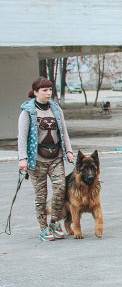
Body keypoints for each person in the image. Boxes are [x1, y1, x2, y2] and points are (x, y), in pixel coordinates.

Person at [17, 77, 74, 241]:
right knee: (41, 196)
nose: (48, 93)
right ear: (36, 92)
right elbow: (22, 137)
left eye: (50, 89)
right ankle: (43, 228)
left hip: (56, 157)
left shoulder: (56, 109)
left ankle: (54, 223)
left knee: (60, 190)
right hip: (36, 160)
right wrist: (22, 158)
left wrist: (69, 151)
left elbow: (63, 131)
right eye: (44, 90)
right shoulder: (27, 112)